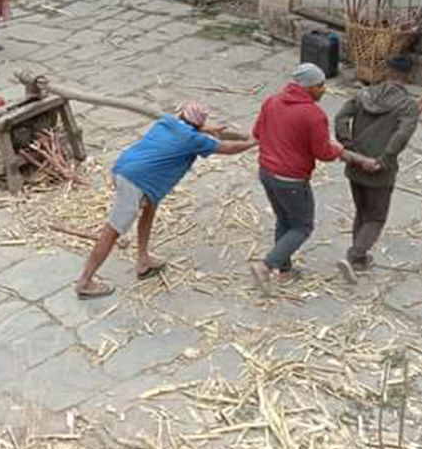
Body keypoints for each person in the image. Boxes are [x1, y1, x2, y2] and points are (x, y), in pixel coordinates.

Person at [73, 102, 257, 300]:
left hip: (126, 169)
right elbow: (230, 149)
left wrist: (207, 128)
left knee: (150, 207)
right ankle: (85, 282)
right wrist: (253, 142)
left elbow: (188, 127)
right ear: (198, 126)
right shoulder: (195, 140)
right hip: (136, 182)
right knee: (112, 231)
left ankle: (143, 260)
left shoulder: (167, 122)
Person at [251, 63, 376, 290]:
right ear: (308, 87)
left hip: (266, 173)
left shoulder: (271, 101)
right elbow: (323, 153)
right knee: (302, 226)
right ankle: (266, 267)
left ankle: (285, 271)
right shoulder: (313, 114)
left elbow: (257, 133)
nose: (324, 89)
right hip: (291, 180)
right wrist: (340, 150)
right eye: (320, 85)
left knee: (285, 221)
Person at [333, 56, 419, 282]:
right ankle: (355, 255)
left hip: (355, 165)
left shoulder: (364, 94)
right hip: (380, 171)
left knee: (362, 212)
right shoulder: (408, 105)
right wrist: (385, 159)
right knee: (376, 218)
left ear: (386, 71)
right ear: (409, 76)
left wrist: (349, 148)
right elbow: (402, 135)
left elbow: (341, 117)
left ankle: (359, 260)